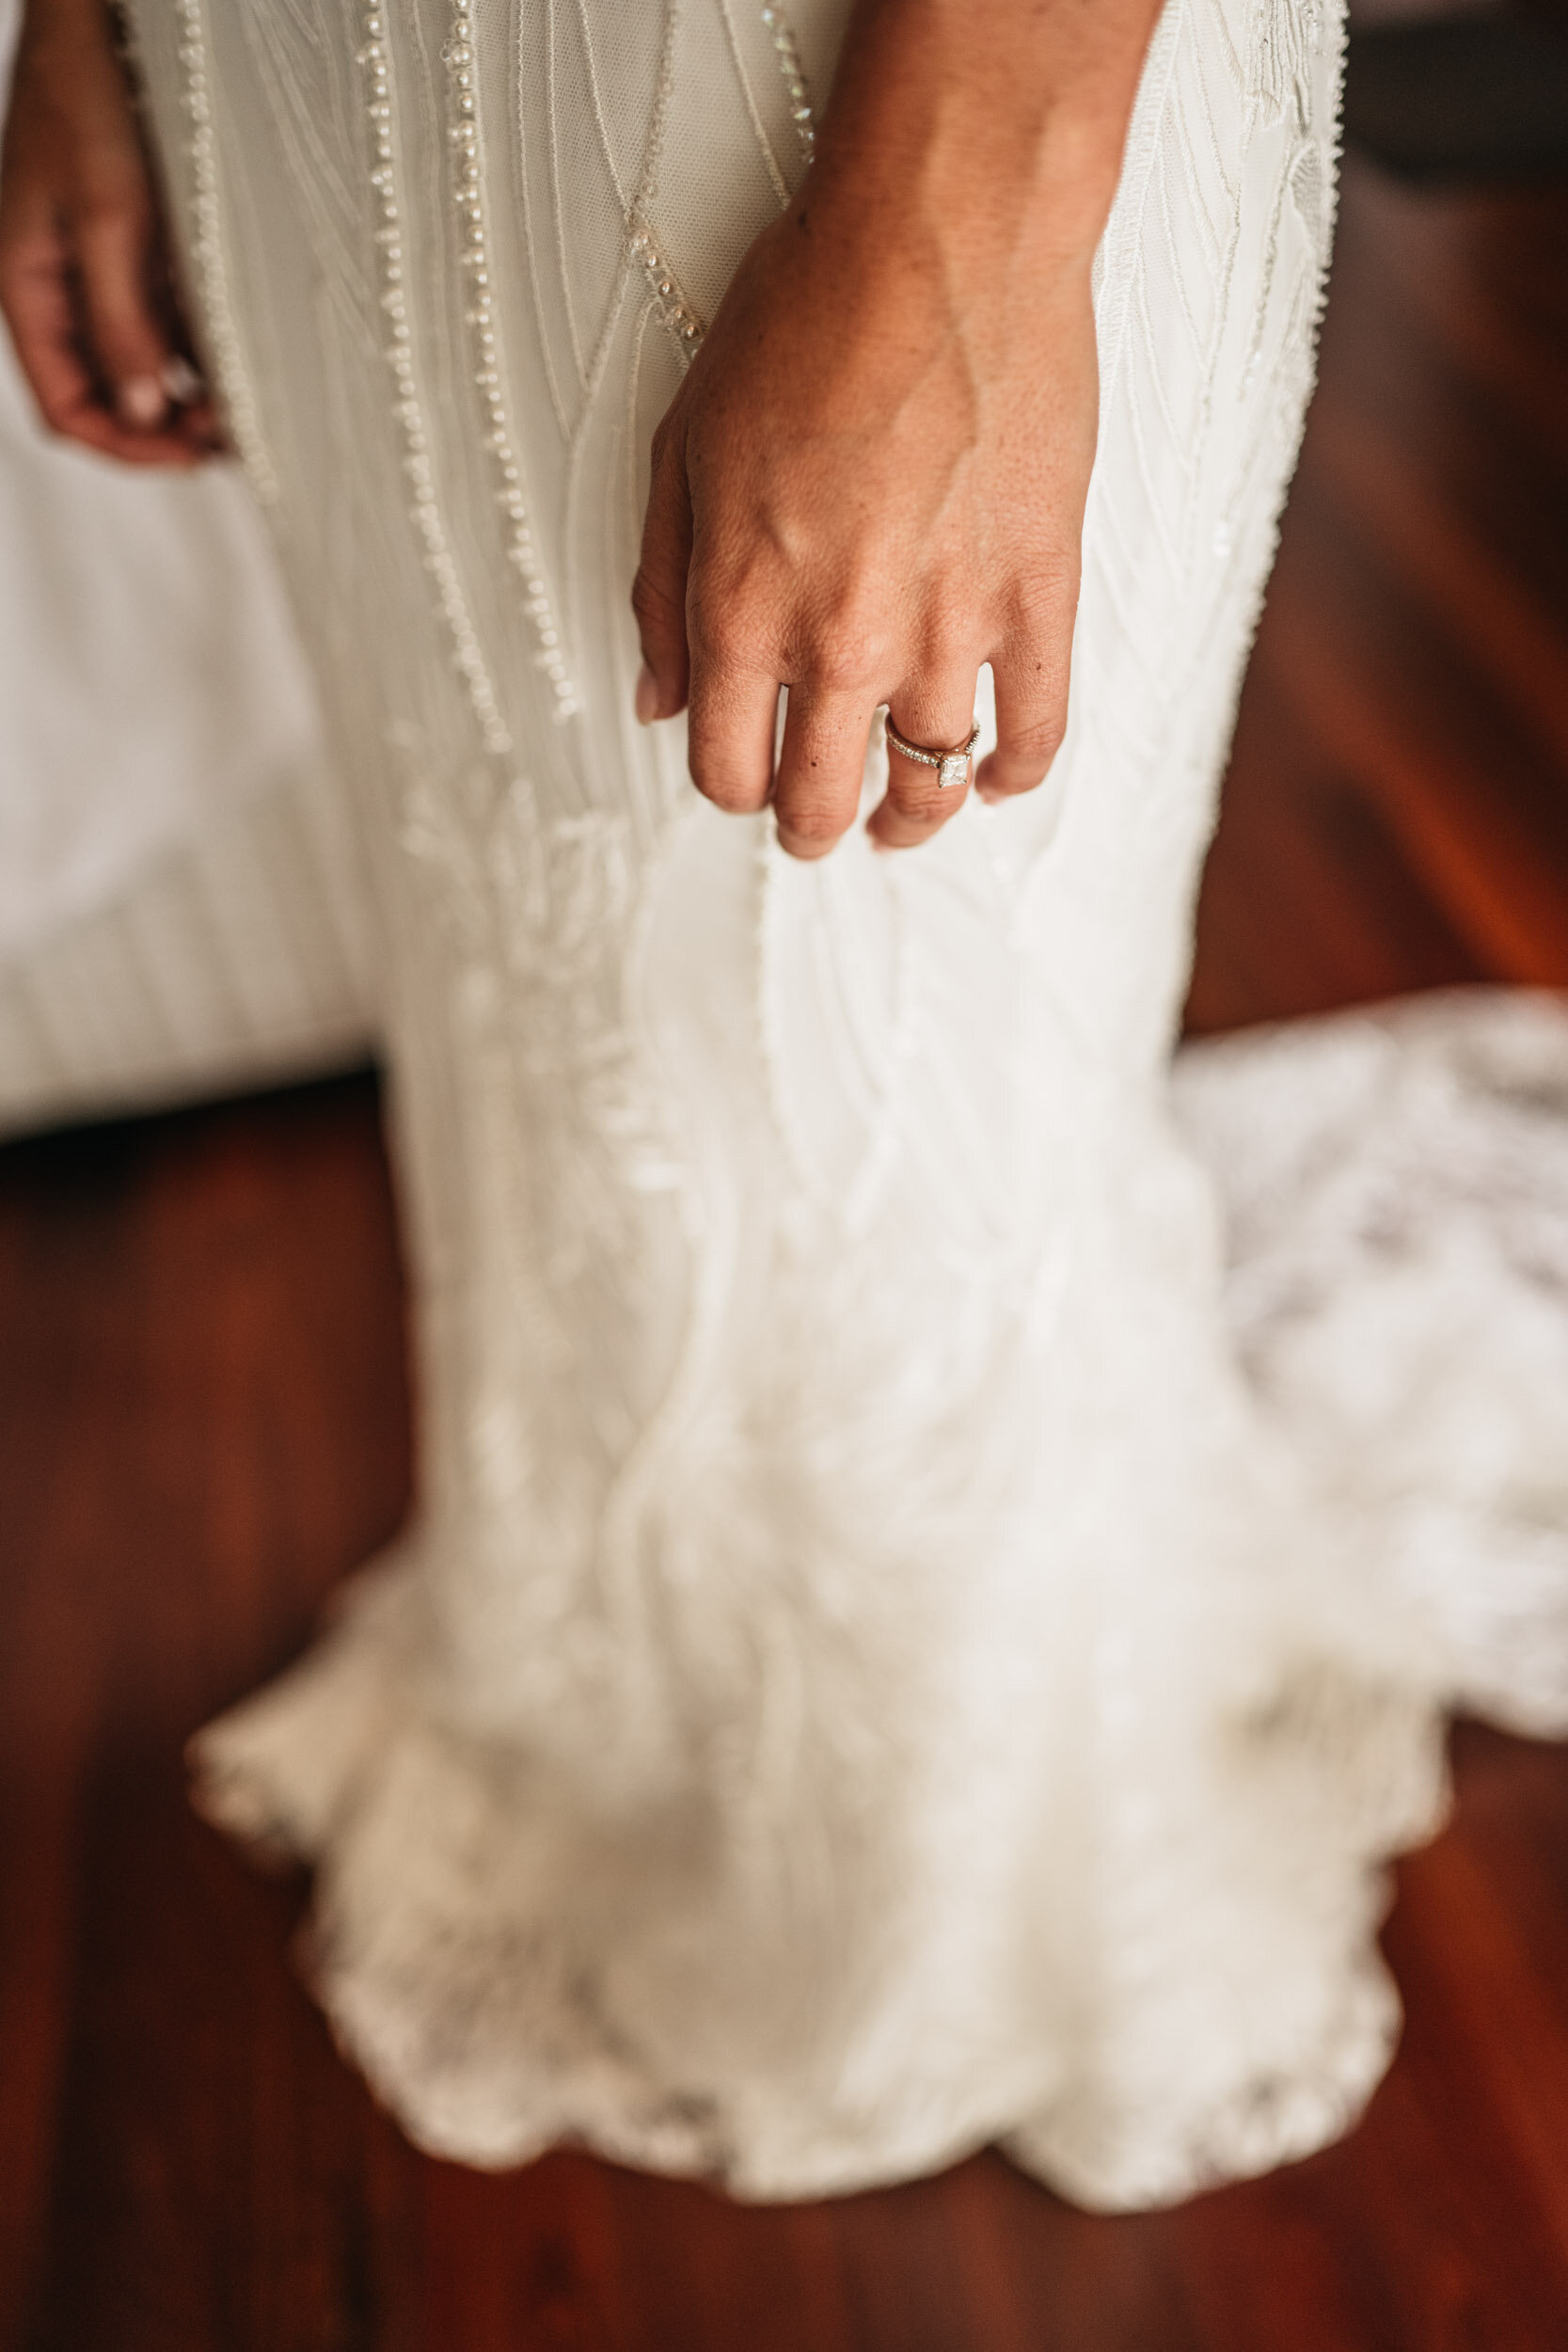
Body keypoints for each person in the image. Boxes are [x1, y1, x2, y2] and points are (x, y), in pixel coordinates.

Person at [6, 0, 1568, 2211]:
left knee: (871, 1014)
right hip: (293, 76)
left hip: (811, 79)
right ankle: (633, 1704)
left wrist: (955, 227)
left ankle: (945, 1846)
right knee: (532, 970)